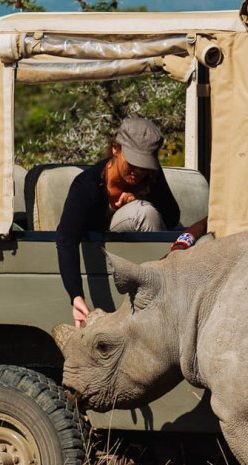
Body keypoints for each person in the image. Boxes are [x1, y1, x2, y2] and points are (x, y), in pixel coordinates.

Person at [56, 117, 180, 327]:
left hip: (140, 260)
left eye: (144, 165)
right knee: (142, 213)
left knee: (144, 211)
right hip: (104, 250)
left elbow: (171, 217)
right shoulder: (87, 186)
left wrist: (140, 197)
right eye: (132, 163)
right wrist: (76, 295)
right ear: (115, 149)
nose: (138, 172)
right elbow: (67, 238)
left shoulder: (149, 178)